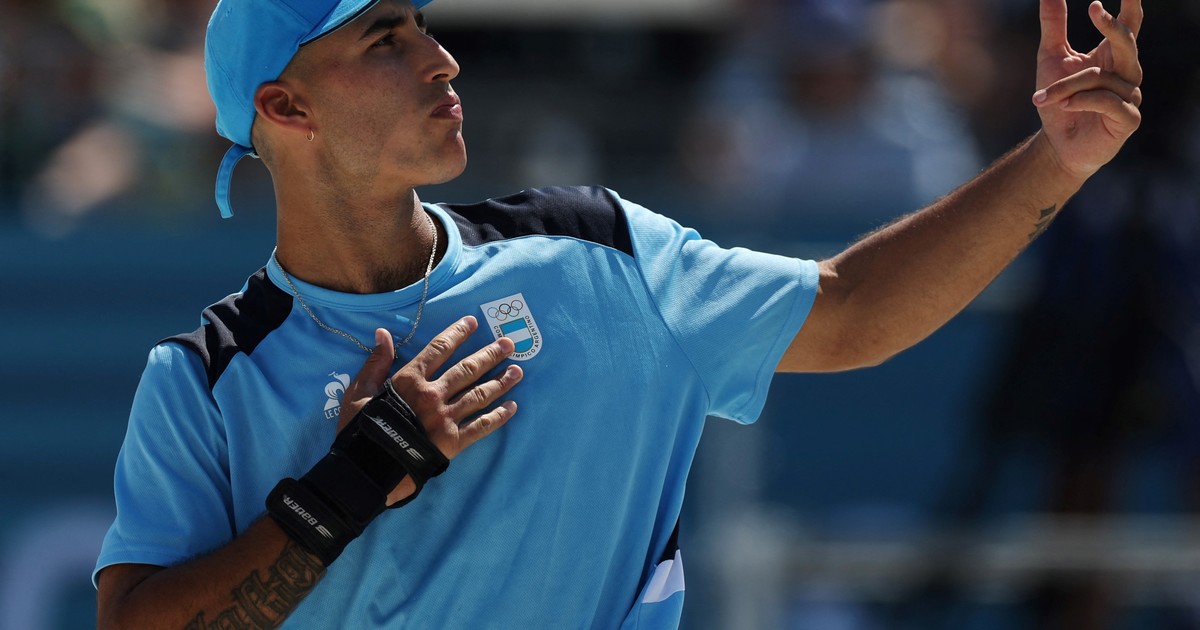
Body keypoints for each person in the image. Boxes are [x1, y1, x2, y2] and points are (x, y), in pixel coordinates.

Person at [92, 0, 1143, 626]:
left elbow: (853, 310)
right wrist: (353, 482)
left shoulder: (602, 250)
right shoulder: (201, 378)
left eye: (423, 26)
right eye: (383, 41)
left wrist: (1057, 158)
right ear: (287, 108)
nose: (440, 58)